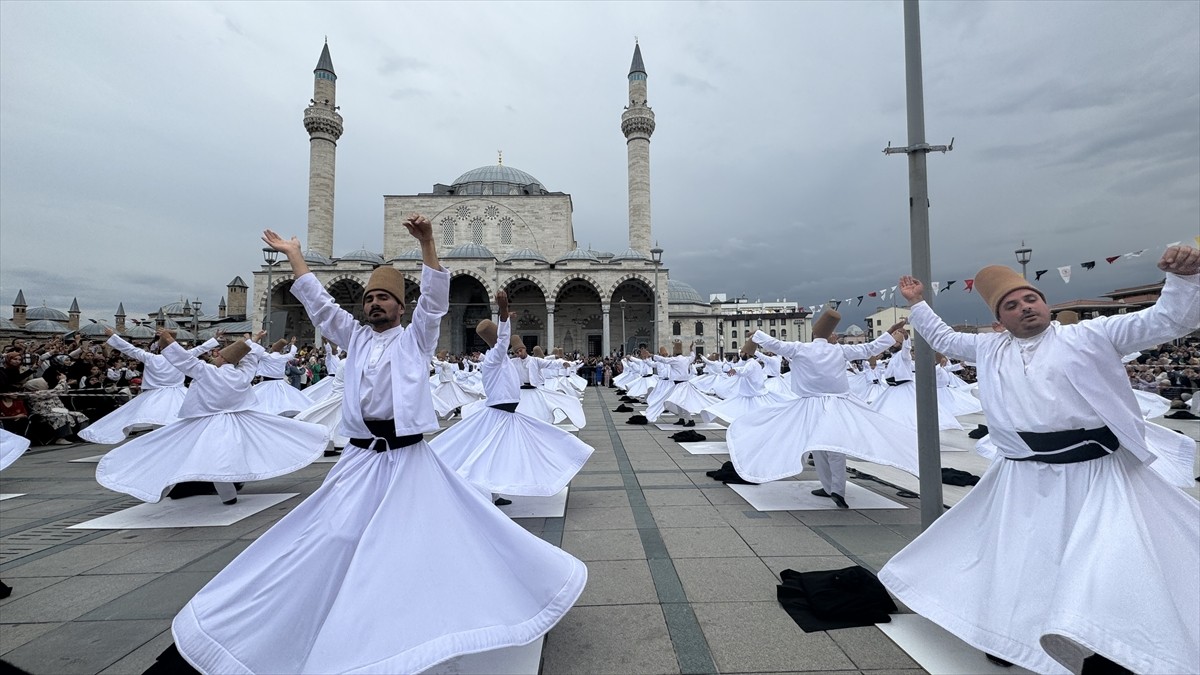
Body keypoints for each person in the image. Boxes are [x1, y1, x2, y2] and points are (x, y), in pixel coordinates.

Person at [152, 216, 586, 674]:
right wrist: (296, 255)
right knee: (335, 533)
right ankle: (336, 624)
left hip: (407, 458)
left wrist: (428, 243)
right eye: (369, 299)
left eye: (383, 298)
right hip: (361, 459)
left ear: (400, 307)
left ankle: (430, 624)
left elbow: (436, 300)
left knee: (424, 540)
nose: (375, 305)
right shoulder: (356, 337)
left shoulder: (416, 338)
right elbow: (320, 307)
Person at [879, 245, 1200, 674]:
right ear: (1000, 320)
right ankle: (1012, 635)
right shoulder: (991, 349)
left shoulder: (1092, 335)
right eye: (1012, 305)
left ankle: (1104, 638)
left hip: (1096, 472)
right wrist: (917, 304)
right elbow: (943, 339)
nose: (1025, 307)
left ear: (1044, 304)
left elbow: (1168, 320)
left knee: (1104, 557)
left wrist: (1184, 279)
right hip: (1025, 476)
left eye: (1031, 299)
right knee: (1020, 558)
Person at [96, 329, 328, 506]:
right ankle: (227, 495)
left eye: (218, 356)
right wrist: (250, 343)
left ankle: (177, 486)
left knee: (189, 454)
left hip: (208, 422)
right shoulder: (242, 375)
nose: (214, 358)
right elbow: (249, 360)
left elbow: (183, 359)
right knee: (224, 458)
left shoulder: (207, 372)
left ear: (223, 360)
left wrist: (167, 339)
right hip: (235, 422)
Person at [725, 310, 913, 508]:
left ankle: (830, 487)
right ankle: (835, 489)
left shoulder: (801, 348)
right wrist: (891, 331)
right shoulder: (839, 350)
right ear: (829, 334)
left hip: (810, 405)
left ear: (814, 333)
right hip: (837, 404)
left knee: (819, 446)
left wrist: (757, 334)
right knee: (834, 447)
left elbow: (776, 345)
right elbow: (870, 348)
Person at [430, 290, 593, 501]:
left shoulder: (500, 359)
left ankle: (494, 494)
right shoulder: (494, 358)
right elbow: (503, 340)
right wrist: (504, 313)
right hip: (499, 415)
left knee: (502, 453)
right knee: (490, 455)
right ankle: (483, 494)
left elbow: (536, 358)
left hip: (506, 413)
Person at [79, 328, 220, 445]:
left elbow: (130, 349)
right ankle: (176, 444)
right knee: (177, 420)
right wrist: (215, 338)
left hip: (156, 396)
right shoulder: (182, 356)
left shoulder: (151, 358)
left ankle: (163, 444)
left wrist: (113, 336)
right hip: (176, 393)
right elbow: (201, 349)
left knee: (158, 420)